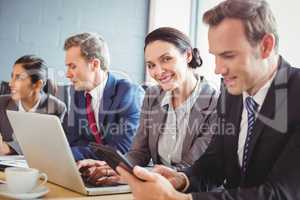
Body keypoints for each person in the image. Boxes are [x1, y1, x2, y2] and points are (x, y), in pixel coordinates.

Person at [116, 0, 300, 199]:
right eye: (215, 56)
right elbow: (214, 163)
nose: (218, 69)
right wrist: (182, 179)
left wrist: (181, 199)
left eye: (228, 55)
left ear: (265, 46)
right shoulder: (232, 94)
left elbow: (282, 193)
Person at [77, 27, 218, 185]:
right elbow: (139, 152)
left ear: (188, 55)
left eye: (166, 59)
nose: (158, 71)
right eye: (151, 65)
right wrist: (114, 166)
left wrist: (134, 175)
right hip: (153, 188)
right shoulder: (152, 96)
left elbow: (191, 168)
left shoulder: (215, 103)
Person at [63, 32, 145, 161]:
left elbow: (121, 149)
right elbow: (74, 140)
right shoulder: (78, 93)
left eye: (73, 66)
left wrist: (67, 154)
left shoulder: (129, 93)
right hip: (89, 169)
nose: (67, 74)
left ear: (95, 64)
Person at [0, 55, 66, 155]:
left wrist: (10, 148)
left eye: (18, 78)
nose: (10, 83)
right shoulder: (2, 103)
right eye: (12, 76)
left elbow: (47, 146)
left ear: (37, 85)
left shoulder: (56, 108)